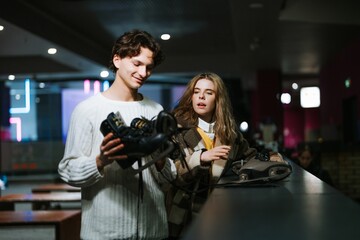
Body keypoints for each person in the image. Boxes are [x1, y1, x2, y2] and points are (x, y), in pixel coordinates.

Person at [58, 29, 176, 240]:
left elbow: (168, 178)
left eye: (149, 67)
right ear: (117, 60)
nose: (143, 72)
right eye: (137, 64)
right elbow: (68, 171)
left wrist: (160, 160)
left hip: (154, 231)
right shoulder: (87, 110)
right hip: (105, 233)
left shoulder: (155, 110)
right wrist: (100, 161)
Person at [166, 72, 287, 238]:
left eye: (209, 93)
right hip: (183, 216)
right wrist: (201, 158)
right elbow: (170, 174)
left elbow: (250, 157)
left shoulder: (229, 135)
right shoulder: (176, 129)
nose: (201, 96)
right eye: (196, 91)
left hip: (220, 214)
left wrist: (272, 157)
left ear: (218, 99)